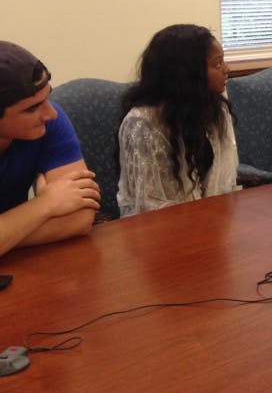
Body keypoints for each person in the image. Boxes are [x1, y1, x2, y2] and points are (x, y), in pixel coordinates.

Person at [117, 25, 238, 216]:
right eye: (217, 64)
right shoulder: (142, 124)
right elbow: (149, 206)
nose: (226, 69)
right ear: (188, 74)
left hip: (212, 223)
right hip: (156, 234)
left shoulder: (217, 110)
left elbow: (225, 185)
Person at [0, 42, 99, 256]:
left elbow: (81, 218)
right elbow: (55, 208)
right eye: (32, 108)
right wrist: (44, 205)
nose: (51, 113)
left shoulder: (49, 123)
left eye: (47, 98)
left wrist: (7, 236)